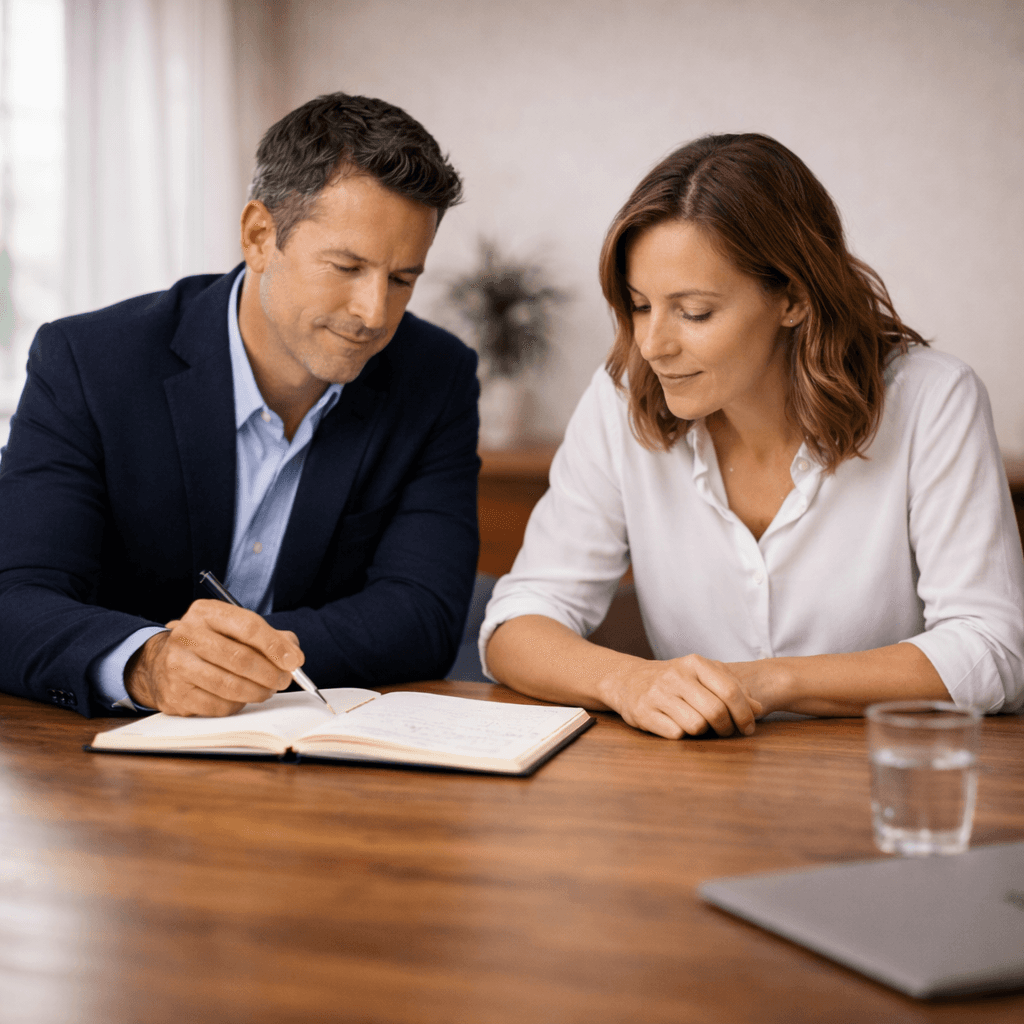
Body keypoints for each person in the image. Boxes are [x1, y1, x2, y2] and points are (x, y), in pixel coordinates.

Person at [482, 133, 1024, 739]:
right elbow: (516, 625)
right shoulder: (619, 402)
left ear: (793, 297)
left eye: (694, 312)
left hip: (879, 776)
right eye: (639, 306)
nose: (653, 345)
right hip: (694, 781)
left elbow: (992, 648)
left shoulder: (933, 400)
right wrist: (627, 681)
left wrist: (766, 682)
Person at [0, 93, 480, 718]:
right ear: (259, 236)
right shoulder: (89, 362)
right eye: (346, 267)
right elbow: (14, 596)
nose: (374, 313)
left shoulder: (436, 376)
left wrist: (228, 663)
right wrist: (147, 662)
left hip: (314, 747)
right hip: (96, 752)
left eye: (402, 280)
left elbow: (423, 616)